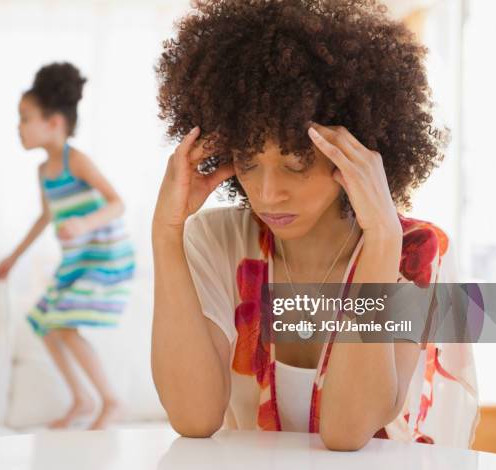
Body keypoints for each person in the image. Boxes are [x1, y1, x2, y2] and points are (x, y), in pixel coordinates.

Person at [150, 0, 478, 451]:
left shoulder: (418, 250)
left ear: (354, 153)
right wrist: (165, 233)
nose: (267, 193)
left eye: (296, 164)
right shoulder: (216, 239)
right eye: (248, 162)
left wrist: (382, 239)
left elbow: (347, 432)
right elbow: (194, 416)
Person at [0, 62, 135, 430]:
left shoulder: (78, 161)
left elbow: (117, 202)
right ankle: (83, 399)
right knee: (43, 321)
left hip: (104, 257)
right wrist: (13, 257)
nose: (18, 128)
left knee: (64, 323)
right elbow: (44, 217)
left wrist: (84, 222)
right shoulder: (43, 172)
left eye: (25, 118)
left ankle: (111, 401)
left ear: (54, 123)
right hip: (77, 261)